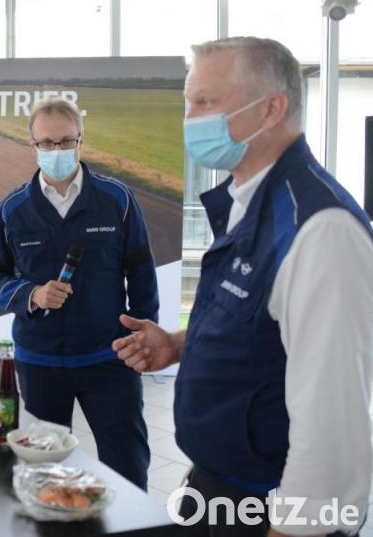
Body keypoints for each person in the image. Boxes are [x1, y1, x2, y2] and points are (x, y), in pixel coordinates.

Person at [113, 37, 373, 537]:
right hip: (215, 485)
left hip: (270, 506)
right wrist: (179, 345)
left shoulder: (319, 228)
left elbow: (331, 423)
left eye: (205, 102)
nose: (190, 118)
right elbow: (258, 327)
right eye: (188, 103)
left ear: (271, 109)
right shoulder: (246, 202)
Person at [0, 97, 158, 490]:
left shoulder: (117, 199)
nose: (56, 150)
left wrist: (143, 340)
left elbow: (142, 274)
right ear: (32, 145)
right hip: (40, 361)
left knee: (127, 465)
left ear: (81, 141)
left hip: (109, 359)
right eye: (47, 143)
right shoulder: (13, 209)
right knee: (45, 472)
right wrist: (32, 294)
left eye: (65, 141)